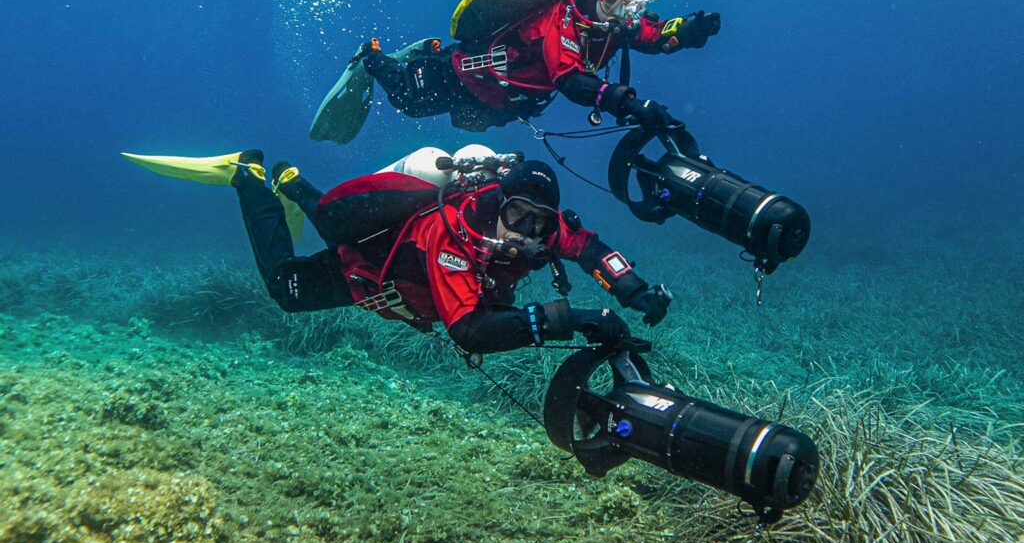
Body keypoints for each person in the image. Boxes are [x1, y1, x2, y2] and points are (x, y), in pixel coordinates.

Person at [121, 149, 673, 354]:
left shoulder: (536, 228)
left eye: (537, 223)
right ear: (496, 203)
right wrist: (576, 318)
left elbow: (590, 248)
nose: (524, 234)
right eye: (517, 217)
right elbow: (470, 330)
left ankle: (292, 181)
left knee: (331, 220)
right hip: (364, 276)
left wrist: (631, 289)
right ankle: (247, 175)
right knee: (287, 288)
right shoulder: (451, 234)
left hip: (393, 284)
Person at [357, 0, 721, 132]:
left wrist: (688, 30)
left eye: (630, 6)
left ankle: (428, 53)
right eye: (612, 2)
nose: (620, 15)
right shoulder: (558, 19)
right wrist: (627, 103)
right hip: (467, 75)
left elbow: (653, 35)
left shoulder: (612, 24)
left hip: (504, 99)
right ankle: (371, 57)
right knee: (409, 101)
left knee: (465, 121)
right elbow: (570, 79)